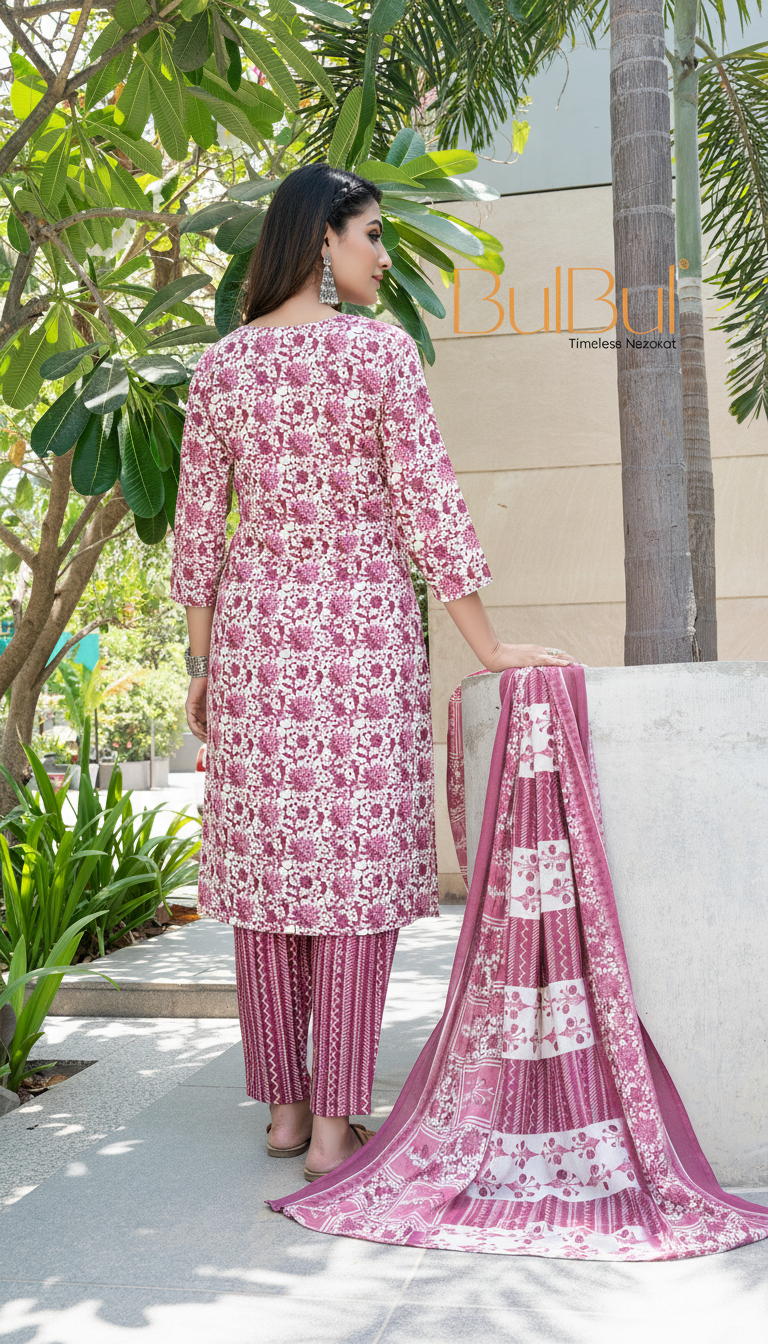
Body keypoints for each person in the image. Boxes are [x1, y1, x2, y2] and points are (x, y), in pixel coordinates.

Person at [169, 161, 573, 1183]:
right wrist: (488, 646)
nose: (384, 257)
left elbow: (197, 533)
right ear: (323, 239)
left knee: (270, 873)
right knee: (352, 875)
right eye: (373, 235)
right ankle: (336, 1126)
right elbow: (428, 507)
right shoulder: (377, 352)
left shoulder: (222, 367)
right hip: (360, 643)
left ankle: (285, 1111)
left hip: (259, 646)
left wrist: (203, 664)